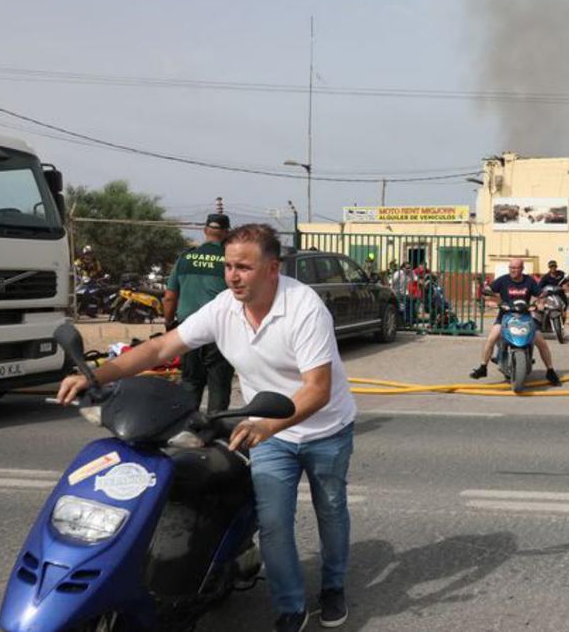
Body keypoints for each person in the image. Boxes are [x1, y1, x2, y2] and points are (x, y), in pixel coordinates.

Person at [57, 223, 356, 632]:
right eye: (229, 266)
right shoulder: (223, 308)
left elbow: (318, 389)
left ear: (273, 268)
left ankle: (334, 586)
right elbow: (162, 347)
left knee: (331, 510)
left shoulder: (304, 308)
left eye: (244, 267)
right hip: (268, 428)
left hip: (324, 428)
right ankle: (290, 606)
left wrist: (268, 425)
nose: (233, 275)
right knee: (273, 522)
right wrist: (98, 376)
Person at [164, 213, 235, 414]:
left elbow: (169, 297)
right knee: (219, 382)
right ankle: (214, 430)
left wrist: (169, 324)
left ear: (205, 231)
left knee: (191, 380)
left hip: (188, 328)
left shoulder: (185, 258)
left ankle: (186, 425)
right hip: (220, 330)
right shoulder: (229, 261)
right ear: (226, 233)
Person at [469, 258, 561, 385]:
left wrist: (541, 302)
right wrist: (491, 300)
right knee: (491, 338)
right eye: (511, 267)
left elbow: (540, 294)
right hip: (505, 316)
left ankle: (550, 371)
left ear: (522, 269)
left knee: (541, 342)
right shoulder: (503, 280)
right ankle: (483, 367)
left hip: (525, 316)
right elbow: (488, 291)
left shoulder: (529, 281)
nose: (512, 270)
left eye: (516, 268)